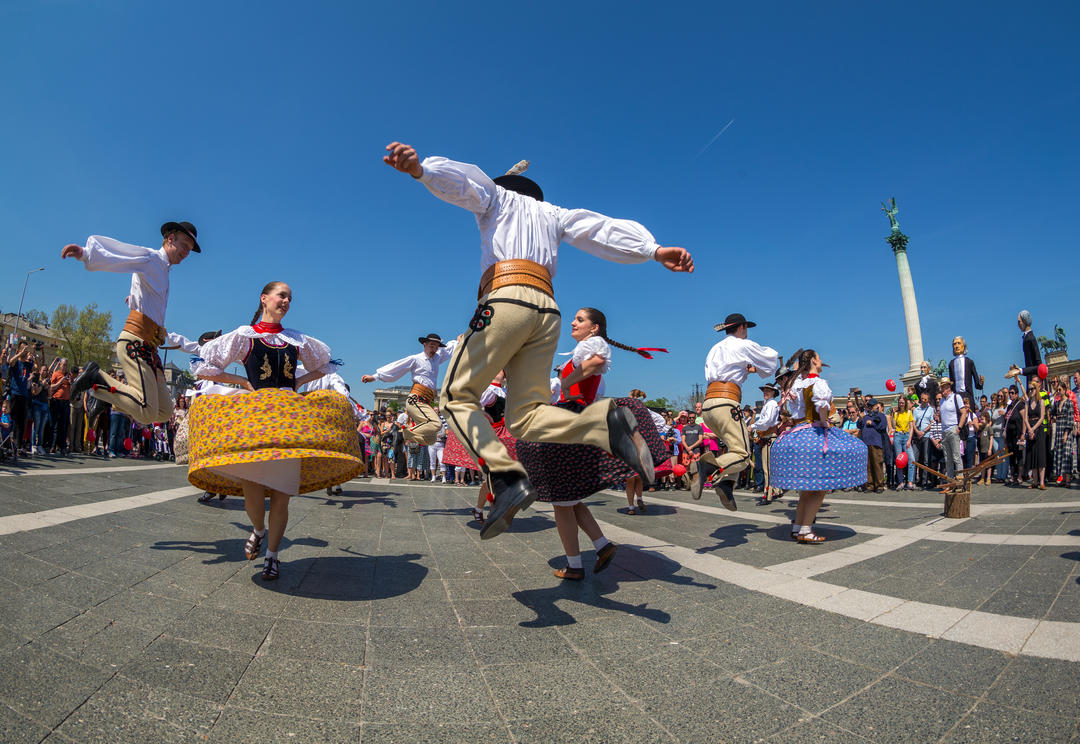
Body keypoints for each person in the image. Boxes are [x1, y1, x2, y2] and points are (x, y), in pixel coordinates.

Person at [383, 142, 693, 540]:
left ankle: (507, 479)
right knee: (526, 416)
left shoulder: (495, 197)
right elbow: (599, 229)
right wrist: (652, 250)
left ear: (507, 187)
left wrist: (421, 171)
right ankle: (604, 423)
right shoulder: (555, 214)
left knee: (456, 396)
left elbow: (467, 185)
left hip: (506, 297)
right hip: (547, 310)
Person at [187, 281, 361, 580]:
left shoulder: (296, 340)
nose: (286, 301)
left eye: (290, 298)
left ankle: (273, 555)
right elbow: (204, 367)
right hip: (256, 417)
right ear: (264, 299)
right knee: (251, 488)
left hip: (288, 417)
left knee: (282, 495)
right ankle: (258, 529)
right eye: (282, 295)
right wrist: (241, 382)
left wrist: (298, 382)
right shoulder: (245, 335)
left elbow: (327, 365)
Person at [514, 308, 668, 578]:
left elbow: (596, 362)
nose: (573, 322)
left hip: (570, 418)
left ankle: (574, 567)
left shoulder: (592, 344)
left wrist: (568, 380)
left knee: (557, 494)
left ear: (594, 328)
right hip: (574, 416)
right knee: (568, 499)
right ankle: (602, 545)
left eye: (580, 319)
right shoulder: (579, 350)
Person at [63, 222, 200, 427]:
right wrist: (85, 253)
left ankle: (103, 394)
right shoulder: (152, 259)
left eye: (190, 250)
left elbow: (145, 292)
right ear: (170, 238)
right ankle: (95, 378)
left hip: (150, 348)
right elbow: (123, 256)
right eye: (185, 245)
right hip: (135, 341)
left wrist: (134, 298)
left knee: (164, 411)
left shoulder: (163, 270)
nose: (186, 252)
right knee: (146, 410)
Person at [771, 350, 867, 542]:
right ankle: (805, 530)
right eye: (820, 358)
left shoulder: (798, 384)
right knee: (819, 486)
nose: (822, 361)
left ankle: (798, 526)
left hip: (798, 435)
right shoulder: (818, 383)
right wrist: (824, 423)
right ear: (814, 361)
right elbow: (821, 407)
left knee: (807, 488)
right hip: (814, 434)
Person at [690, 313, 779, 510]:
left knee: (734, 447)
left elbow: (726, 369)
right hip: (726, 402)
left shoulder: (715, 348)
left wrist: (747, 369)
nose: (747, 333)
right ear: (741, 327)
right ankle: (705, 467)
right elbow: (772, 361)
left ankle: (727, 484)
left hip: (708, 405)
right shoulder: (742, 345)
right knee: (743, 455)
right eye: (746, 329)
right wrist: (756, 369)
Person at [361, 333, 458, 448]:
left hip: (426, 402)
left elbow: (448, 350)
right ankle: (402, 433)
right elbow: (398, 367)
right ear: (424, 345)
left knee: (431, 439)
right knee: (436, 424)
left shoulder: (437, 358)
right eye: (432, 346)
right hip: (416, 399)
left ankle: (404, 434)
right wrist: (375, 376)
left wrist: (457, 342)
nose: (434, 349)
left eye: (436, 347)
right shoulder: (416, 359)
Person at [750, 382, 781, 503]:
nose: (765, 392)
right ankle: (774, 490)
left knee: (767, 468)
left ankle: (768, 494)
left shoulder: (772, 404)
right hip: (766, 436)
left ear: (773, 392)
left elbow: (767, 421)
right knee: (768, 467)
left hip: (769, 436)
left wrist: (752, 426)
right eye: (764, 390)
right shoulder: (768, 404)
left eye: (768, 390)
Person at [938, 378, 969, 479]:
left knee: (956, 457)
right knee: (948, 459)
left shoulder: (956, 397)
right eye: (941, 387)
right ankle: (950, 481)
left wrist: (959, 427)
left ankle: (960, 479)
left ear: (948, 387)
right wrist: (938, 418)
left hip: (953, 429)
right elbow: (942, 417)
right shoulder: (942, 401)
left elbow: (964, 413)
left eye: (943, 387)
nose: (942, 389)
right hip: (944, 431)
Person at [1022, 378, 1047, 489]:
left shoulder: (1041, 401)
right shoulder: (1027, 402)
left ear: (1036, 389)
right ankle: (1035, 481)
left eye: (1032, 389)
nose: (1031, 391)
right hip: (1030, 427)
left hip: (1039, 429)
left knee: (1040, 455)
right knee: (1032, 455)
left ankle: (1041, 482)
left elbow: (1042, 417)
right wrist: (1029, 429)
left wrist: (1033, 429)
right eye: (1029, 389)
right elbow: (1026, 417)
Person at [857, 398, 887, 492]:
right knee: (868, 465)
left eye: (871, 406)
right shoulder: (865, 417)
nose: (869, 408)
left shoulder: (881, 416)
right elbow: (859, 426)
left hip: (876, 443)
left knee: (877, 464)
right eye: (868, 406)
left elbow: (882, 427)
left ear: (876, 406)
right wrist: (860, 418)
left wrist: (873, 423)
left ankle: (879, 486)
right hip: (866, 443)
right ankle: (869, 485)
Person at [1008, 310, 1043, 387]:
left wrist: (1020, 371)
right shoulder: (1027, 338)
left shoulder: (1030, 338)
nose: (1018, 325)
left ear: (1024, 321)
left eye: (1019, 322)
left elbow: (1039, 366)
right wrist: (1019, 369)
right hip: (1032, 381)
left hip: (1035, 384)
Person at [948, 336, 984, 409]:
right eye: (954, 344)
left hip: (967, 395)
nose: (957, 346)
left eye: (959, 343)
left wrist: (981, 382)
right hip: (956, 396)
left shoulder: (969, 362)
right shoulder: (951, 364)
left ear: (963, 346)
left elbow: (977, 384)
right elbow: (951, 383)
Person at [1051, 378, 1075, 487]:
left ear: (1065, 390)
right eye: (1058, 390)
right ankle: (1062, 478)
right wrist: (1054, 417)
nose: (1059, 391)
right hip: (1058, 430)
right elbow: (1051, 414)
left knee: (1066, 454)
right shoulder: (1056, 403)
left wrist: (1066, 434)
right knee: (1059, 455)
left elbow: (1070, 420)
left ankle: (1068, 479)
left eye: (1060, 389)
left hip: (1066, 432)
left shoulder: (1069, 403)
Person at [1003, 385, 1025, 484]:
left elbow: (1024, 419)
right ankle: (1012, 476)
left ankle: (1020, 476)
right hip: (1010, 434)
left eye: (1012, 393)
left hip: (1018, 433)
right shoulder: (1009, 406)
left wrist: (1023, 434)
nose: (1010, 395)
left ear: (1016, 394)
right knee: (1011, 455)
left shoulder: (1020, 404)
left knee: (1019, 455)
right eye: (1010, 393)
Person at [892, 396, 915, 490]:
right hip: (898, 436)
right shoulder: (896, 413)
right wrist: (893, 414)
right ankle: (900, 482)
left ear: (905, 403)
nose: (901, 404)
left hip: (906, 436)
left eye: (902, 402)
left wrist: (909, 439)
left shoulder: (909, 412)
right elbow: (893, 426)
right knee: (899, 461)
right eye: (900, 402)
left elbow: (911, 427)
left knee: (911, 459)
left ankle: (910, 482)